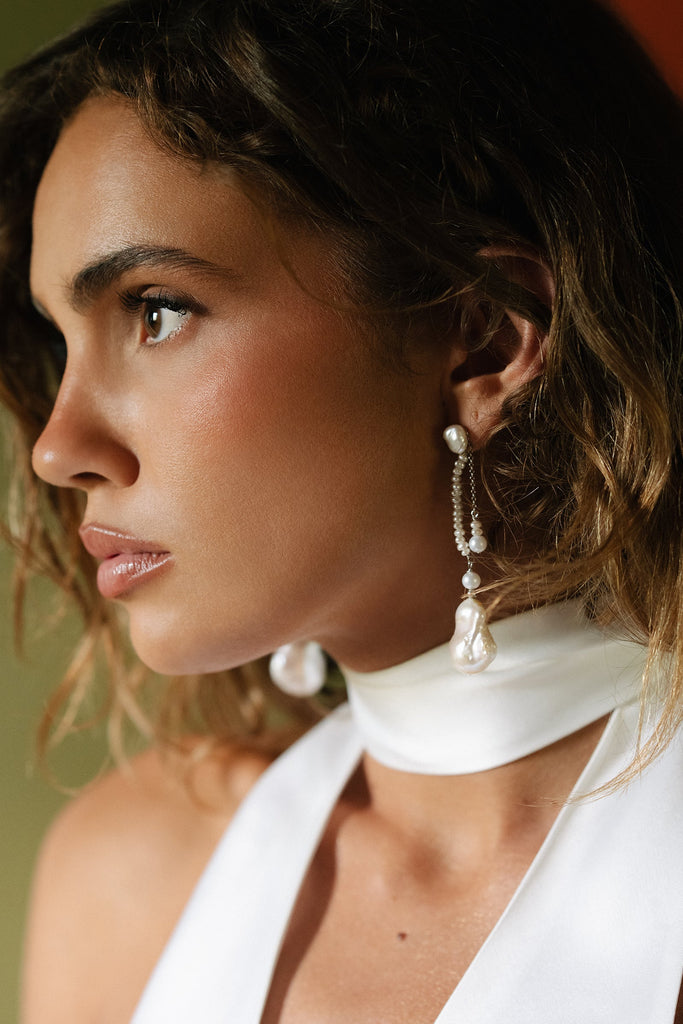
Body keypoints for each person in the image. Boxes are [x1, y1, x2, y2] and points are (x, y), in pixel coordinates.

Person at [0, 0, 681, 1020]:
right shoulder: (134, 883)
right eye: (60, 339)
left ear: (485, 336)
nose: (57, 448)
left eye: (155, 310)